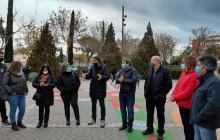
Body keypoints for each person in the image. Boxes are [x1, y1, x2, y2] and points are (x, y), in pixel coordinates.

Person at [190, 56, 220, 140]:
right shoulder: (204, 80)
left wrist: (199, 117)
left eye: (198, 65)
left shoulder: (214, 82)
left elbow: (213, 104)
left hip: (206, 123)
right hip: (198, 121)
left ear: (205, 68)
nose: (196, 67)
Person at [143, 56, 172, 140]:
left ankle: (160, 132)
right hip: (149, 97)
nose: (150, 62)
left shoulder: (165, 71)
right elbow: (146, 81)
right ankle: (149, 128)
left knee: (160, 115)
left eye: (151, 60)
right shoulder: (150, 69)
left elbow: (169, 85)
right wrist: (145, 92)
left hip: (159, 98)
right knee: (149, 114)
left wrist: (162, 95)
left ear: (157, 61)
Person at [170, 56, 199, 140]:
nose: (182, 64)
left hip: (188, 106)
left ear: (189, 64)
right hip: (181, 104)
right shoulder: (183, 73)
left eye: (184, 63)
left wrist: (175, 97)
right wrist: (173, 94)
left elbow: (188, 92)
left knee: (189, 127)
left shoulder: (194, 76)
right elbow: (178, 85)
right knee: (185, 125)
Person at [82, 56, 109, 128]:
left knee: (102, 104)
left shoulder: (104, 67)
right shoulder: (92, 67)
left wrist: (102, 77)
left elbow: (107, 76)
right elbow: (90, 75)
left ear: (99, 60)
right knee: (93, 105)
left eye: (95, 60)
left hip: (101, 88)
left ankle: (102, 120)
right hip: (93, 88)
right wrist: (86, 76)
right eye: (93, 60)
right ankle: (93, 119)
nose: (94, 61)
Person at [3, 61, 28, 131]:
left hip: (22, 94)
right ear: (16, 66)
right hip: (13, 95)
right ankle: (13, 124)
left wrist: (26, 90)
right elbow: (5, 84)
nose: (21, 67)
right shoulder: (8, 74)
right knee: (13, 110)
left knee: (22, 109)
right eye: (20, 65)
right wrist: (10, 92)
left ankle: (19, 122)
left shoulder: (22, 73)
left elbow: (24, 82)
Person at [116, 58, 138, 133]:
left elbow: (134, 80)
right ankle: (124, 124)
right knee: (122, 110)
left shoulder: (133, 70)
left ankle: (130, 125)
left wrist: (123, 80)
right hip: (122, 93)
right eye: (122, 63)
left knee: (130, 110)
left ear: (128, 63)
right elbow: (116, 78)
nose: (122, 64)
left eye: (123, 63)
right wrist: (119, 80)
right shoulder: (121, 70)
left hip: (130, 94)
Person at [0, 51, 11, 125]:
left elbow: (7, 77)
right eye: (0, 56)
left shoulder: (4, 66)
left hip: (1, 90)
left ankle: (4, 119)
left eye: (2, 56)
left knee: (2, 105)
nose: (1, 58)